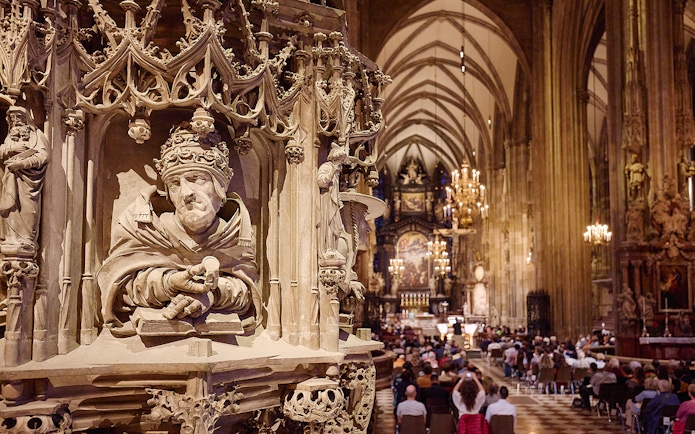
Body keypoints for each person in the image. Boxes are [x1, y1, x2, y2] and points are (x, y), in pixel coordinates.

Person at [99, 122, 258, 336]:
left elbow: (249, 293)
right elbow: (119, 290)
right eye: (174, 183)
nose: (185, 193)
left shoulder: (237, 233)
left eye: (196, 179)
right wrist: (169, 283)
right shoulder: (142, 227)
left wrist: (211, 295)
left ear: (220, 187)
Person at [0, 106, 49, 252]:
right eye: (12, 118)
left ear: (26, 118)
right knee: (11, 209)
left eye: (19, 117)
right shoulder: (10, 136)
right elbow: (2, 151)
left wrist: (22, 163)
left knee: (29, 210)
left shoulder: (37, 135)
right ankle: (11, 238)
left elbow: (43, 156)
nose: (16, 121)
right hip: (10, 179)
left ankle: (26, 238)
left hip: (29, 181)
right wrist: (11, 150)